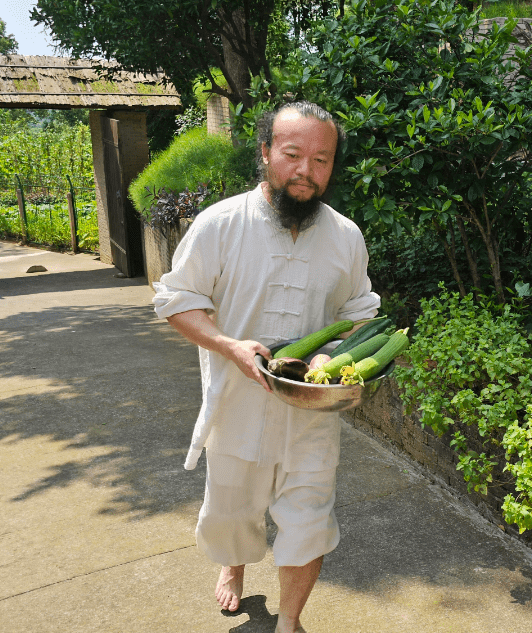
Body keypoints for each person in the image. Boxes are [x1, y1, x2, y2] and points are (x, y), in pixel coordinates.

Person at [151, 101, 379, 633]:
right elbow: (175, 299)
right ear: (265, 153)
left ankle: (290, 621)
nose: (306, 171)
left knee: (308, 524)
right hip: (236, 408)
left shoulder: (346, 236)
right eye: (293, 154)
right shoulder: (221, 224)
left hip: (310, 418)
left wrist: (331, 355)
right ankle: (234, 565)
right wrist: (228, 345)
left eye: (321, 159)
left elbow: (360, 311)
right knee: (233, 516)